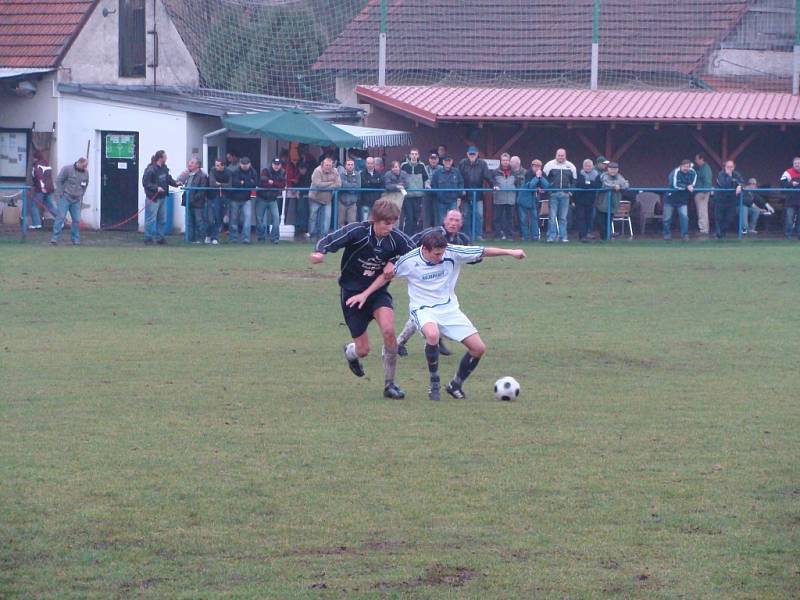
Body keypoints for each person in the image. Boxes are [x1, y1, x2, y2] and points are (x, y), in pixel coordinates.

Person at [348, 229, 525, 401]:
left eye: (442, 253)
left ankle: (455, 385)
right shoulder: (409, 260)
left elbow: (483, 251)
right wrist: (365, 294)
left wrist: (510, 252)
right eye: (436, 254)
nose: (440, 257)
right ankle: (434, 382)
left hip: (449, 309)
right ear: (424, 249)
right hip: (422, 308)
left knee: (479, 348)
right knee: (432, 335)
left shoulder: (452, 252)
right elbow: (385, 276)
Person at [310, 198, 415, 399]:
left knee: (389, 331)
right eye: (386, 223)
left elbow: (414, 254)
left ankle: (390, 384)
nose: (390, 227)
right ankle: (351, 353)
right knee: (363, 349)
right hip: (351, 295)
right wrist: (319, 252)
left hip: (377, 293)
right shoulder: (357, 231)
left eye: (393, 223)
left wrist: (395, 262)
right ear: (374, 219)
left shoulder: (396, 238)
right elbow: (330, 240)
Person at [396, 208, 472, 357]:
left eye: (457, 220)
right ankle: (430, 341)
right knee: (426, 309)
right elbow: (410, 243)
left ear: (461, 223)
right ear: (444, 220)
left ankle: (404, 342)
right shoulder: (433, 234)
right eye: (450, 219)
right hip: (423, 278)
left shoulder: (462, 239)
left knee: (427, 311)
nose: (453, 223)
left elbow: (473, 257)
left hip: (443, 283)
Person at [142, 150, 179, 245]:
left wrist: (175, 183)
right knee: (151, 219)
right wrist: (156, 188)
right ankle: (148, 238)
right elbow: (145, 183)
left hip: (163, 197)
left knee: (162, 219)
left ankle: (160, 238)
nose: (166, 158)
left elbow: (168, 178)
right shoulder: (151, 169)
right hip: (153, 198)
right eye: (165, 157)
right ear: (160, 158)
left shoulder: (164, 168)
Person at [50, 157, 89, 245]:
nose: (85, 168)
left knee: (77, 220)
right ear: (79, 163)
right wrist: (60, 193)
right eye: (84, 166)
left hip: (76, 200)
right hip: (65, 197)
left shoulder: (86, 173)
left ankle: (75, 239)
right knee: (60, 217)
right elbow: (58, 181)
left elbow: (85, 184)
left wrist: (81, 194)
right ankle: (54, 238)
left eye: (86, 166)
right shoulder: (67, 169)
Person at [458, 146, 493, 240]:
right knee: (466, 215)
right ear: (467, 154)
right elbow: (459, 178)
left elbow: (488, 176)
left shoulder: (482, 164)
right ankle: (466, 235)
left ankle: (478, 235)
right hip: (465, 194)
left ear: (477, 154)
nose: (472, 155)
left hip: (478, 194)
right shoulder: (462, 163)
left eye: (474, 154)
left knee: (479, 215)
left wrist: (494, 185)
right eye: (470, 154)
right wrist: (461, 190)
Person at [543, 148, 576, 242]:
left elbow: (574, 180)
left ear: (565, 156)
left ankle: (563, 237)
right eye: (559, 155)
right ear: (556, 155)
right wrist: (548, 191)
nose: (561, 157)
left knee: (563, 217)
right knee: (552, 217)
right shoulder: (549, 165)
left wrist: (571, 191)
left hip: (565, 195)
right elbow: (544, 179)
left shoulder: (571, 166)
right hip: (553, 195)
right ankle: (551, 237)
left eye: (562, 155)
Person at [309, 157, 341, 243]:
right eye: (326, 165)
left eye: (330, 165)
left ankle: (324, 237)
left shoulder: (335, 171)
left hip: (327, 199)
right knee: (313, 217)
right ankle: (312, 236)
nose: (328, 167)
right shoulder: (317, 171)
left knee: (327, 218)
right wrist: (331, 183)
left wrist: (326, 185)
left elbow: (338, 184)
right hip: (315, 197)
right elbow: (317, 184)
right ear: (322, 165)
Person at [664, 159, 696, 241]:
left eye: (688, 167)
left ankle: (684, 235)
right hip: (670, 198)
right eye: (684, 167)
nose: (686, 168)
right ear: (681, 166)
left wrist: (689, 186)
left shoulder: (693, 172)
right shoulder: (675, 172)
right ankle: (667, 235)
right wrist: (686, 186)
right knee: (667, 218)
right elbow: (674, 185)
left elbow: (692, 184)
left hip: (682, 200)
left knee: (684, 217)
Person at [229, 156, 258, 244]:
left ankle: (246, 239)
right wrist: (248, 182)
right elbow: (236, 184)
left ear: (250, 164)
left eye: (246, 164)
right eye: (243, 164)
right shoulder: (235, 172)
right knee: (233, 219)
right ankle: (233, 238)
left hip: (246, 199)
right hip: (234, 199)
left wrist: (244, 182)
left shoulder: (253, 171)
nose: (245, 166)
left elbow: (255, 184)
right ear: (240, 164)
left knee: (247, 219)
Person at [517, 159, 548, 241]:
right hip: (523, 199)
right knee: (524, 219)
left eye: (539, 166)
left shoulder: (542, 173)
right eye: (535, 166)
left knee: (535, 218)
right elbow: (530, 186)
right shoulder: (527, 173)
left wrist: (541, 178)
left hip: (533, 199)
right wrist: (537, 178)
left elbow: (547, 186)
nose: (537, 168)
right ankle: (526, 237)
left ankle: (535, 237)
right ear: (532, 166)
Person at [597, 162, 629, 240]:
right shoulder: (603, 175)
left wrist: (619, 186)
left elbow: (626, 184)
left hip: (613, 204)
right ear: (608, 169)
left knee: (609, 222)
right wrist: (615, 186)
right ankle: (604, 238)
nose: (613, 171)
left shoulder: (620, 176)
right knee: (601, 223)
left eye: (615, 169)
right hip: (602, 203)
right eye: (611, 169)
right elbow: (606, 184)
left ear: (617, 170)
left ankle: (607, 238)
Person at [256, 158, 285, 244]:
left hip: (273, 199)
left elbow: (282, 185)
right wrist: (275, 184)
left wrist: (272, 183)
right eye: (275, 164)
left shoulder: (282, 172)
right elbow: (261, 183)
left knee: (276, 218)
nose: (276, 166)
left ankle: (275, 238)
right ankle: (261, 237)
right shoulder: (265, 171)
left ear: (280, 165)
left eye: (278, 164)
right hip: (262, 197)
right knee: (259, 219)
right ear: (272, 164)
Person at [400, 148, 428, 234]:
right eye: (412, 154)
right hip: (408, 196)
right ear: (409, 155)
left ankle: (414, 236)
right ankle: (407, 236)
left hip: (418, 196)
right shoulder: (404, 165)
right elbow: (400, 178)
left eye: (416, 154)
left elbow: (426, 179)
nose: (414, 156)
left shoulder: (422, 166)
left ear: (418, 155)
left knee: (416, 217)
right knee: (409, 217)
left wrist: (427, 185)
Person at [490, 153, 517, 240]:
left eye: (506, 160)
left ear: (509, 161)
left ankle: (510, 236)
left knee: (510, 218)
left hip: (511, 198)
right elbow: (492, 182)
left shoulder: (514, 172)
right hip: (499, 198)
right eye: (503, 160)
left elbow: (518, 183)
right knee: (497, 218)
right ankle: (497, 235)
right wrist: (494, 186)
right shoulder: (495, 172)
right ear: (500, 161)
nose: (505, 162)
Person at [715, 160, 744, 239]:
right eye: (728, 167)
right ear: (725, 167)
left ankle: (722, 233)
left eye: (731, 167)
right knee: (719, 218)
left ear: (734, 167)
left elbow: (741, 182)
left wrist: (740, 186)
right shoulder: (720, 174)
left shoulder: (736, 174)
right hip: (720, 200)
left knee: (729, 218)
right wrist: (730, 176)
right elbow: (724, 185)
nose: (730, 168)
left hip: (731, 201)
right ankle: (719, 235)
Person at [430, 155, 464, 224]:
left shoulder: (456, 172)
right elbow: (433, 185)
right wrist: (438, 194)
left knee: (453, 219)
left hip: (453, 200)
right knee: (442, 220)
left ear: (452, 161)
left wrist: (459, 193)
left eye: (449, 161)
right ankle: (442, 234)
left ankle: (453, 234)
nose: (447, 163)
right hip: (441, 201)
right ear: (443, 162)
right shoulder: (437, 173)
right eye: (446, 161)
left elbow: (461, 183)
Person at [574, 158, 601, 242]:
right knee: (580, 217)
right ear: (583, 166)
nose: (587, 167)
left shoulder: (597, 175)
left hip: (591, 200)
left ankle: (587, 234)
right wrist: (588, 184)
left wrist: (586, 183)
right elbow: (579, 184)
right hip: (580, 200)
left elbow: (597, 185)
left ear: (592, 166)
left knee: (589, 218)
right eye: (586, 165)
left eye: (589, 166)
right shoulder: (579, 173)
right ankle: (582, 236)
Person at [182, 158, 208, 244]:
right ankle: (190, 239)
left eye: (192, 163)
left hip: (197, 203)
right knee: (189, 222)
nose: (189, 164)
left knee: (199, 221)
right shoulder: (188, 175)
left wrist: (192, 199)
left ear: (197, 165)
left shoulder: (202, 176)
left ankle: (200, 239)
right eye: (189, 162)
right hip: (188, 202)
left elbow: (202, 191)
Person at [29, 151, 57, 230]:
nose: (33, 159)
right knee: (51, 206)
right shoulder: (47, 164)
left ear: (36, 158)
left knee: (34, 205)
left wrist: (42, 187)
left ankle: (37, 224)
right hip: (50, 188)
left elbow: (39, 177)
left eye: (34, 158)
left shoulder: (37, 165)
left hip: (41, 189)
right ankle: (60, 222)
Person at [207, 159, 229, 244]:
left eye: (218, 165)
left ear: (223, 166)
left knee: (219, 218)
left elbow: (230, 185)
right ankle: (209, 236)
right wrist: (222, 184)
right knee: (212, 219)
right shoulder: (212, 171)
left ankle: (214, 237)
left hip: (224, 197)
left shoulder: (228, 172)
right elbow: (212, 183)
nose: (216, 167)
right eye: (215, 165)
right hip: (212, 197)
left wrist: (220, 184)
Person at [779, 156, 800, 239]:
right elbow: (782, 183)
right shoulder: (788, 172)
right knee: (789, 219)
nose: (797, 165)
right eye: (796, 163)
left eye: (799, 163)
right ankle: (788, 236)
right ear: (793, 164)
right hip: (791, 201)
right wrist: (791, 183)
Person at [693, 153, 713, 236]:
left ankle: (704, 230)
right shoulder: (702, 168)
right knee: (701, 211)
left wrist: (705, 191)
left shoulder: (705, 168)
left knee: (702, 211)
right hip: (700, 191)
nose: (695, 161)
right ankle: (704, 229)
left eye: (697, 159)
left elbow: (707, 180)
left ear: (701, 159)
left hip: (702, 192)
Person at [337, 158, 361, 227]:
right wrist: (352, 186)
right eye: (348, 164)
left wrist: (346, 186)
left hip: (352, 203)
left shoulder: (357, 175)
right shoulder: (341, 175)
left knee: (352, 224)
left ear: (354, 166)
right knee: (340, 223)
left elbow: (358, 187)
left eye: (352, 164)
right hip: (342, 202)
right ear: (345, 166)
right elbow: (341, 185)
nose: (350, 166)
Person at [360, 156, 384, 222]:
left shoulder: (379, 174)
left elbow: (381, 184)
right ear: (365, 164)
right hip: (365, 202)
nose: (370, 165)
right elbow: (364, 185)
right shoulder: (362, 174)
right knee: (365, 221)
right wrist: (375, 182)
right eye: (368, 163)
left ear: (374, 164)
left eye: (371, 163)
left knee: (375, 221)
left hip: (376, 202)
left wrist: (370, 181)